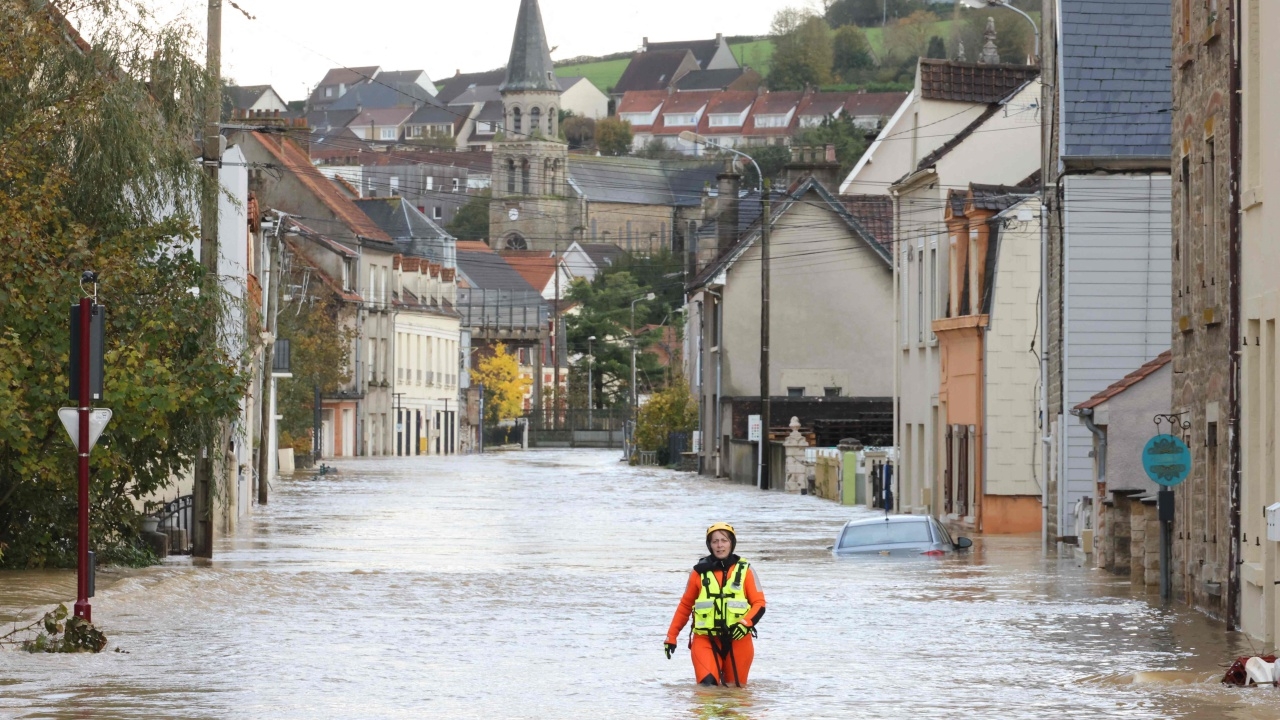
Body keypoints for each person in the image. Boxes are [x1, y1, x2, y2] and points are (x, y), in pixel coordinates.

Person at [664, 522, 766, 686]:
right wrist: (671, 637)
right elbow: (684, 607)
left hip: (738, 640)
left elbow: (759, 604)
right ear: (709, 545)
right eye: (715, 541)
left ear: (731, 543)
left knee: (735, 695)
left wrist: (745, 624)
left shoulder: (746, 570)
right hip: (705, 640)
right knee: (707, 690)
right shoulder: (698, 573)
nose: (719, 545)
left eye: (724, 540)